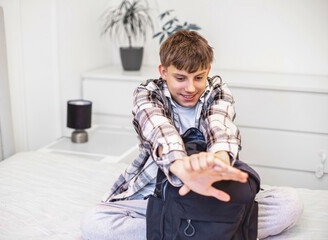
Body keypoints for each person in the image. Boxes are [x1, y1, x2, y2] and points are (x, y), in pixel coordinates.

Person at [81, 30, 303, 240]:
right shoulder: (147, 93)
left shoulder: (217, 90)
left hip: (213, 190)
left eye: (199, 77)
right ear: (163, 72)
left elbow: (221, 128)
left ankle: (182, 230)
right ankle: (220, 230)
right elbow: (161, 133)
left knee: (290, 204)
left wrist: (218, 163)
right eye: (180, 78)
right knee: (95, 222)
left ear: (208, 70)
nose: (190, 88)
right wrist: (183, 169)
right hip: (162, 195)